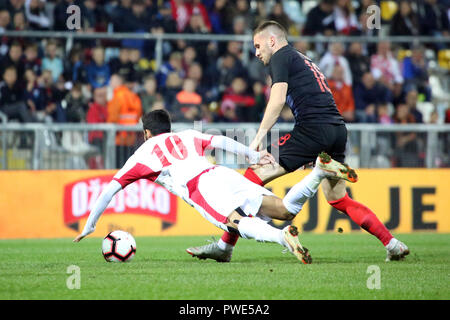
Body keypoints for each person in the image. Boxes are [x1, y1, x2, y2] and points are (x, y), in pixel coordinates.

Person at [187, 21, 409, 263]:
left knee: (251, 177)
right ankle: (392, 243)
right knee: (338, 198)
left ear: (272, 41)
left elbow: (277, 98)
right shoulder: (303, 59)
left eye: (258, 45)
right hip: (336, 130)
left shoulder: (280, 57)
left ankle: (224, 247)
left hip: (311, 129)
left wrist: (258, 139)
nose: (256, 52)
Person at [73, 110, 354, 264]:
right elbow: (220, 143)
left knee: (235, 222)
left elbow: (109, 190)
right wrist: (253, 156)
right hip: (221, 172)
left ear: (146, 133)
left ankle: (283, 239)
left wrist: (90, 224)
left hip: (200, 186)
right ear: (168, 127)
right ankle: (319, 171)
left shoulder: (142, 154)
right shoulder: (186, 135)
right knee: (283, 210)